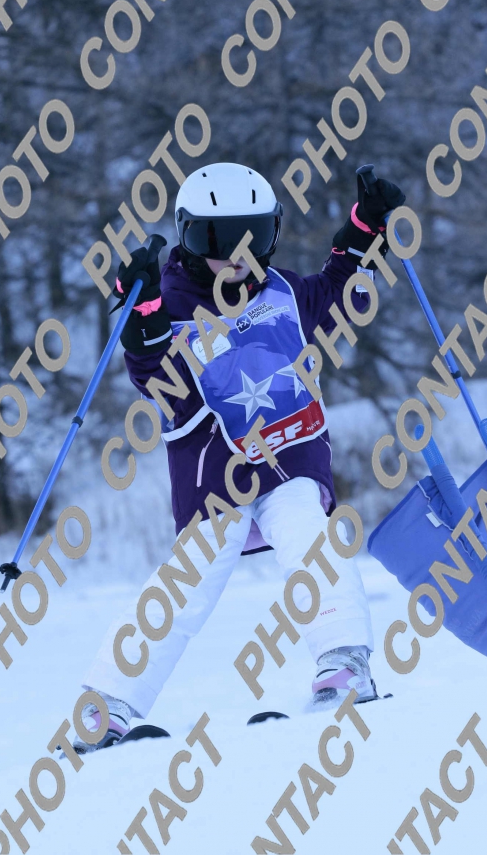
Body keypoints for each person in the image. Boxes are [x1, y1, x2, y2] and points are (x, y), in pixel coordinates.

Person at [73, 161, 406, 751]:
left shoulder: (282, 291)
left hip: (290, 457)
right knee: (190, 580)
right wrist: (142, 320)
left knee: (310, 536)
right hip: (215, 477)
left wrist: (365, 227)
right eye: (216, 239)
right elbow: (157, 378)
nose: (236, 256)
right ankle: (110, 703)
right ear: (188, 238)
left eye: (251, 237)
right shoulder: (171, 303)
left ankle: (344, 663)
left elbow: (335, 291)